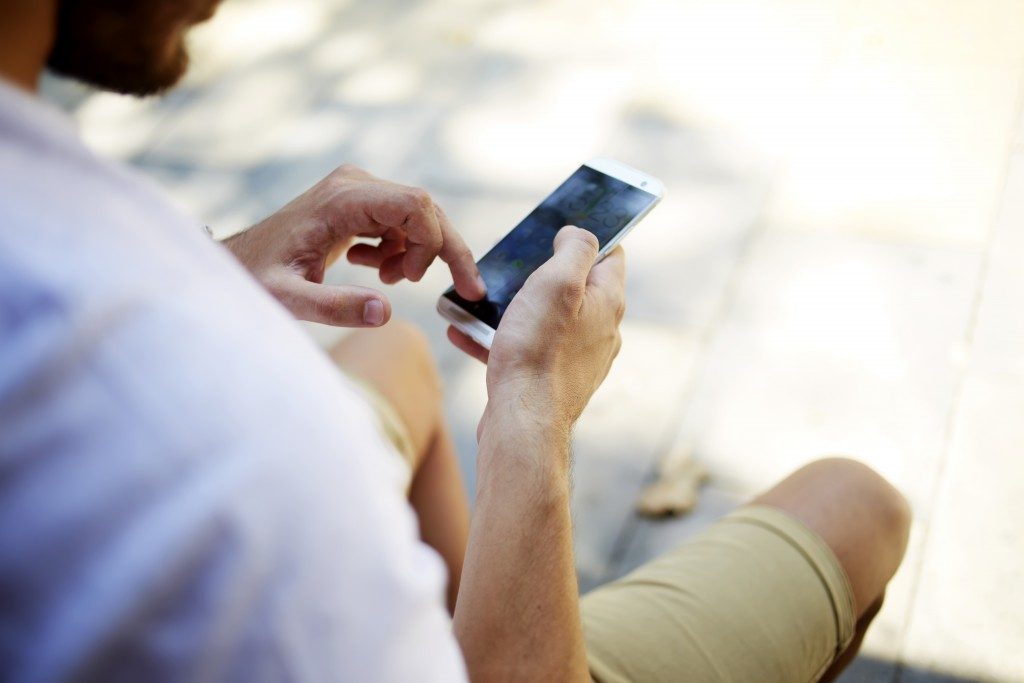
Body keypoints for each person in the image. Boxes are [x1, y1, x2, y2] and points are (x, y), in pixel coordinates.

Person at [0, 1, 911, 681]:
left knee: (388, 350)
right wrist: (533, 411)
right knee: (860, 504)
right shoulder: (240, 455)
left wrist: (216, 270)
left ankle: (497, 615)